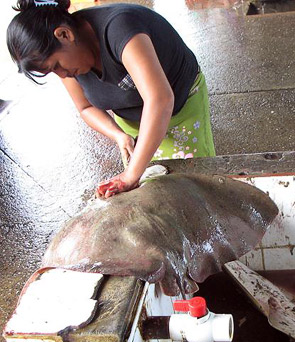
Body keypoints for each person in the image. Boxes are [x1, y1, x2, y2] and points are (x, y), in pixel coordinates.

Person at [7, 0, 216, 198]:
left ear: (64, 34)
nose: (62, 75)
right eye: (52, 71)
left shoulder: (120, 28)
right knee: (151, 187)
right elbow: (85, 107)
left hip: (180, 108)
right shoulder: (69, 64)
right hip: (132, 118)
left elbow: (160, 100)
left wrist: (130, 175)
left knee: (195, 185)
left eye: (56, 66)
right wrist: (118, 135)